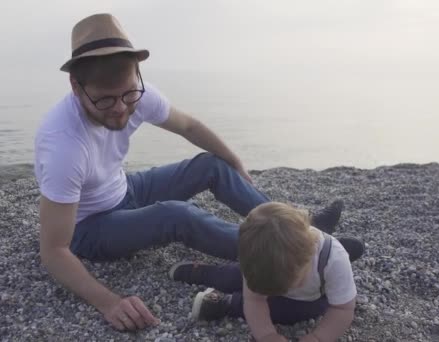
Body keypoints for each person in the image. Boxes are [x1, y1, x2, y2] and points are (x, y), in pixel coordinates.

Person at [34, 13, 344, 332]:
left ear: (137, 75)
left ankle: (291, 227)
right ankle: (286, 252)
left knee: (210, 165)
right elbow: (54, 249)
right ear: (76, 86)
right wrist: (109, 302)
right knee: (177, 216)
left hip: (125, 189)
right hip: (90, 226)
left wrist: (234, 162)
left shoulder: (135, 95)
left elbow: (190, 126)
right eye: (105, 100)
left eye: (128, 95)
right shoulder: (63, 146)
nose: (120, 108)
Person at [170, 202, 364, 342]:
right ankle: (204, 273)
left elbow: (343, 309)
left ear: (309, 256)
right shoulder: (260, 256)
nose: (277, 292)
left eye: (291, 284)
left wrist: (319, 337)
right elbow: (255, 300)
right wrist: (266, 334)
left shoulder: (334, 260)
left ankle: (225, 303)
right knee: (232, 275)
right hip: (268, 271)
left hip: (312, 296)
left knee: (293, 310)